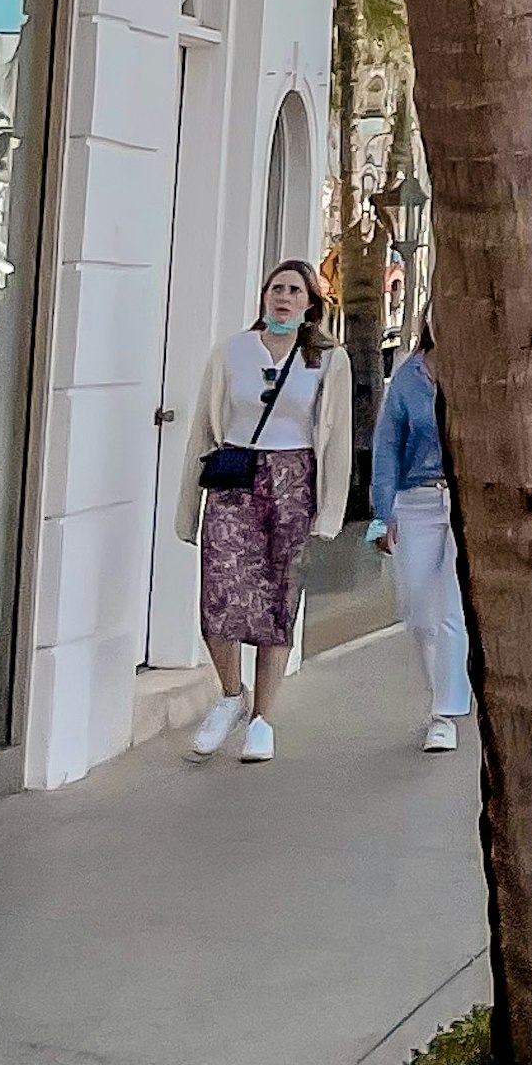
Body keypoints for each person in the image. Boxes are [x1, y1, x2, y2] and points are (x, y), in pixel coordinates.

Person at [173, 258, 349, 764]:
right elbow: (203, 429)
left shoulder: (328, 359)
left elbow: (337, 438)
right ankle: (231, 695)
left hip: (293, 481)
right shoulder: (231, 351)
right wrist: (187, 508)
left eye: (294, 290)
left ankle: (262, 719)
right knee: (219, 594)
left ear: (310, 304)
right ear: (265, 296)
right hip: (236, 477)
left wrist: (330, 511)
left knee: (277, 601)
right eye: (277, 288)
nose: (284, 297)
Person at [369, 323, 473, 753]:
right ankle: (440, 691)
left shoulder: (476, 370)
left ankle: (444, 714)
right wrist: (382, 513)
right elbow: (387, 447)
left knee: (451, 610)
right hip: (416, 500)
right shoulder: (408, 378)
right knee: (418, 610)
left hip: (466, 501)